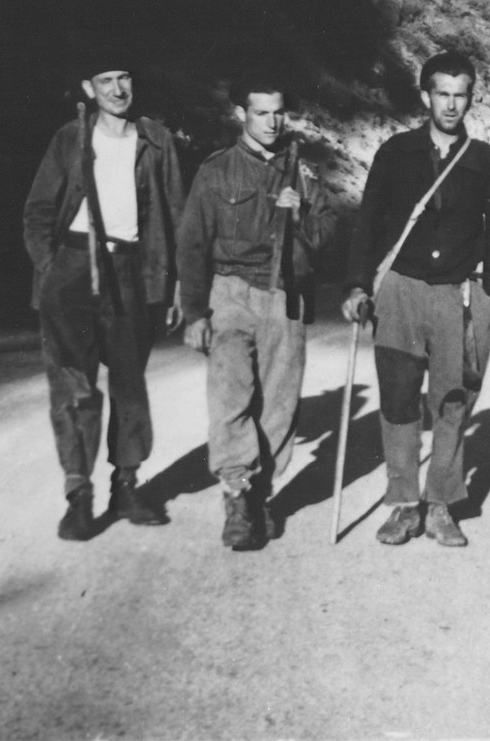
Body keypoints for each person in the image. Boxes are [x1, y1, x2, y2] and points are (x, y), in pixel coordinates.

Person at [342, 53, 490, 548]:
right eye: (442, 93)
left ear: (470, 97)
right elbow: (368, 221)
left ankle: (440, 504)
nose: (451, 104)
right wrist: (356, 284)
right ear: (425, 96)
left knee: (452, 400)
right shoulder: (395, 153)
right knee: (397, 399)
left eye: (461, 94)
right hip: (399, 290)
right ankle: (402, 504)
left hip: (456, 293)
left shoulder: (484, 160)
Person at [23, 53, 184, 541]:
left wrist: (176, 284)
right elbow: (38, 212)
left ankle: (126, 485)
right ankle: (78, 494)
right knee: (75, 388)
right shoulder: (70, 138)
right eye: (106, 81)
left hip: (132, 269)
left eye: (125, 78)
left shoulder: (156, 140)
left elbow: (176, 218)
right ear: (88, 89)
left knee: (130, 384)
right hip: (72, 265)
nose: (118, 89)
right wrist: (52, 273)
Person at [177, 78, 337, 551]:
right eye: (262, 112)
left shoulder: (303, 172)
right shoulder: (217, 169)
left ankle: (258, 496)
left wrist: (301, 211)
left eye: (279, 112)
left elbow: (328, 235)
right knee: (230, 398)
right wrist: (194, 313)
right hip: (230, 291)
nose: (273, 122)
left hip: (285, 296)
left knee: (279, 404)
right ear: (242, 115)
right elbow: (192, 242)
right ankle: (236, 492)